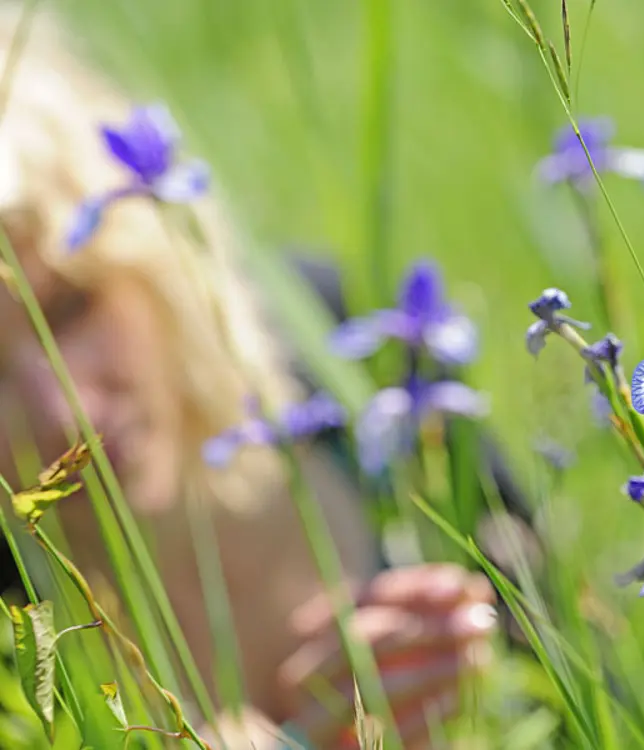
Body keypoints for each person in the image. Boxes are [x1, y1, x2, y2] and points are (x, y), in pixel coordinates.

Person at [0, 7, 496, 748]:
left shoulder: (343, 343)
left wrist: (486, 675)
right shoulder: (19, 634)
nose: (59, 409)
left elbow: (569, 637)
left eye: (70, 308)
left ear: (149, 248)